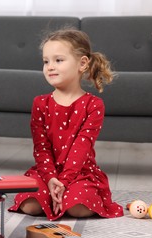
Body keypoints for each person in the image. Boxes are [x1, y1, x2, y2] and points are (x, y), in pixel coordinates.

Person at [8, 28, 124, 221]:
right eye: (46, 61)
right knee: (30, 205)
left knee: (77, 208)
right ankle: (53, 192)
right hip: (47, 171)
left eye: (58, 60)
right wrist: (51, 178)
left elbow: (82, 147)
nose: (50, 67)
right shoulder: (40, 103)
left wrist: (64, 181)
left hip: (79, 172)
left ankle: (65, 195)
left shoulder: (93, 105)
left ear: (82, 64)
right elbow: (41, 147)